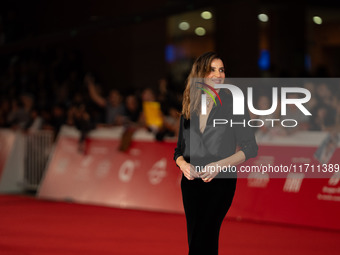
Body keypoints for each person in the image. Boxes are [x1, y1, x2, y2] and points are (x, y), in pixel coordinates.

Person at [173, 52, 258, 255]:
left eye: (221, 70)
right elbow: (179, 151)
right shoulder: (190, 106)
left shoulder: (233, 104)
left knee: (205, 237)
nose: (218, 74)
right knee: (198, 240)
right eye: (212, 70)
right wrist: (184, 165)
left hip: (221, 182)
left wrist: (219, 165)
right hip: (191, 184)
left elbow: (250, 147)